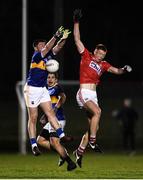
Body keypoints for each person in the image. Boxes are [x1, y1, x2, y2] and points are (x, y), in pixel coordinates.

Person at [73, 9, 132, 168]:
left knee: (94, 126)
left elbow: (117, 71)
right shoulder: (86, 56)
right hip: (83, 93)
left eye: (103, 55)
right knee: (98, 112)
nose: (100, 57)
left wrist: (124, 69)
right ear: (95, 51)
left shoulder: (104, 65)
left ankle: (79, 152)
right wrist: (76, 22)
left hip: (93, 95)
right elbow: (77, 39)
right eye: (99, 54)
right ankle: (92, 142)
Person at [23, 26, 71, 156]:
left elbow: (57, 48)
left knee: (50, 113)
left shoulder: (48, 55)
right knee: (33, 117)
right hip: (32, 89)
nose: (44, 45)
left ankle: (62, 135)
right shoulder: (37, 56)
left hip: (42, 89)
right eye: (41, 44)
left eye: (44, 44)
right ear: (36, 47)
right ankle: (33, 144)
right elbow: (49, 47)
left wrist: (64, 38)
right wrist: (56, 35)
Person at [37, 72, 77, 171]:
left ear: (56, 80)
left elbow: (63, 97)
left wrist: (55, 109)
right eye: (48, 77)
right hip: (50, 120)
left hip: (57, 120)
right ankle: (62, 152)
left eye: (52, 77)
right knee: (40, 141)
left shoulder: (56, 87)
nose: (50, 79)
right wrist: (45, 116)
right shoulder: (45, 88)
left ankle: (70, 163)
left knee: (54, 142)